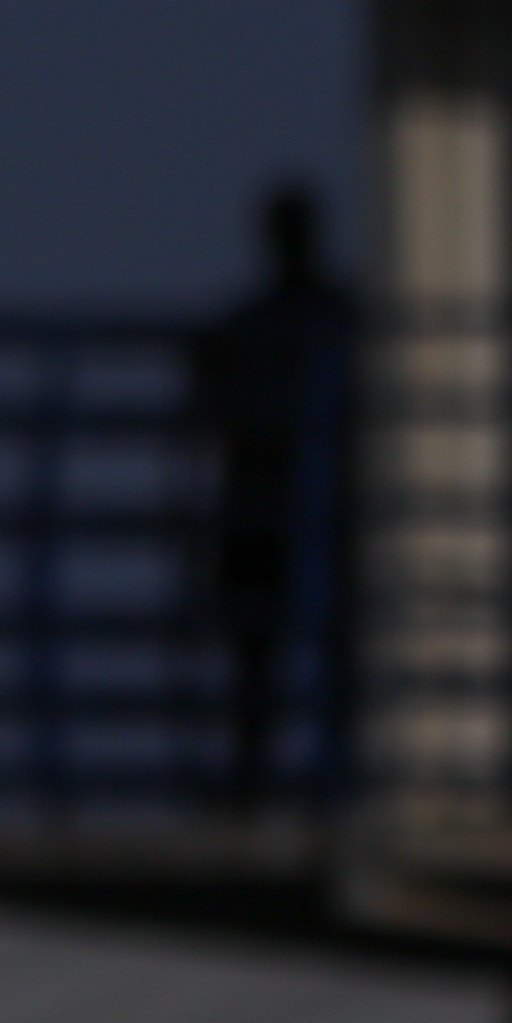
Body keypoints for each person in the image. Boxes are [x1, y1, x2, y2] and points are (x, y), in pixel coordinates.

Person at [182, 178, 355, 802]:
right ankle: (320, 779)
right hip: (311, 512)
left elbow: (203, 412)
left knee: (261, 660)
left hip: (264, 511)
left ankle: (254, 784)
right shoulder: (342, 317)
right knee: (311, 656)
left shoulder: (244, 325)